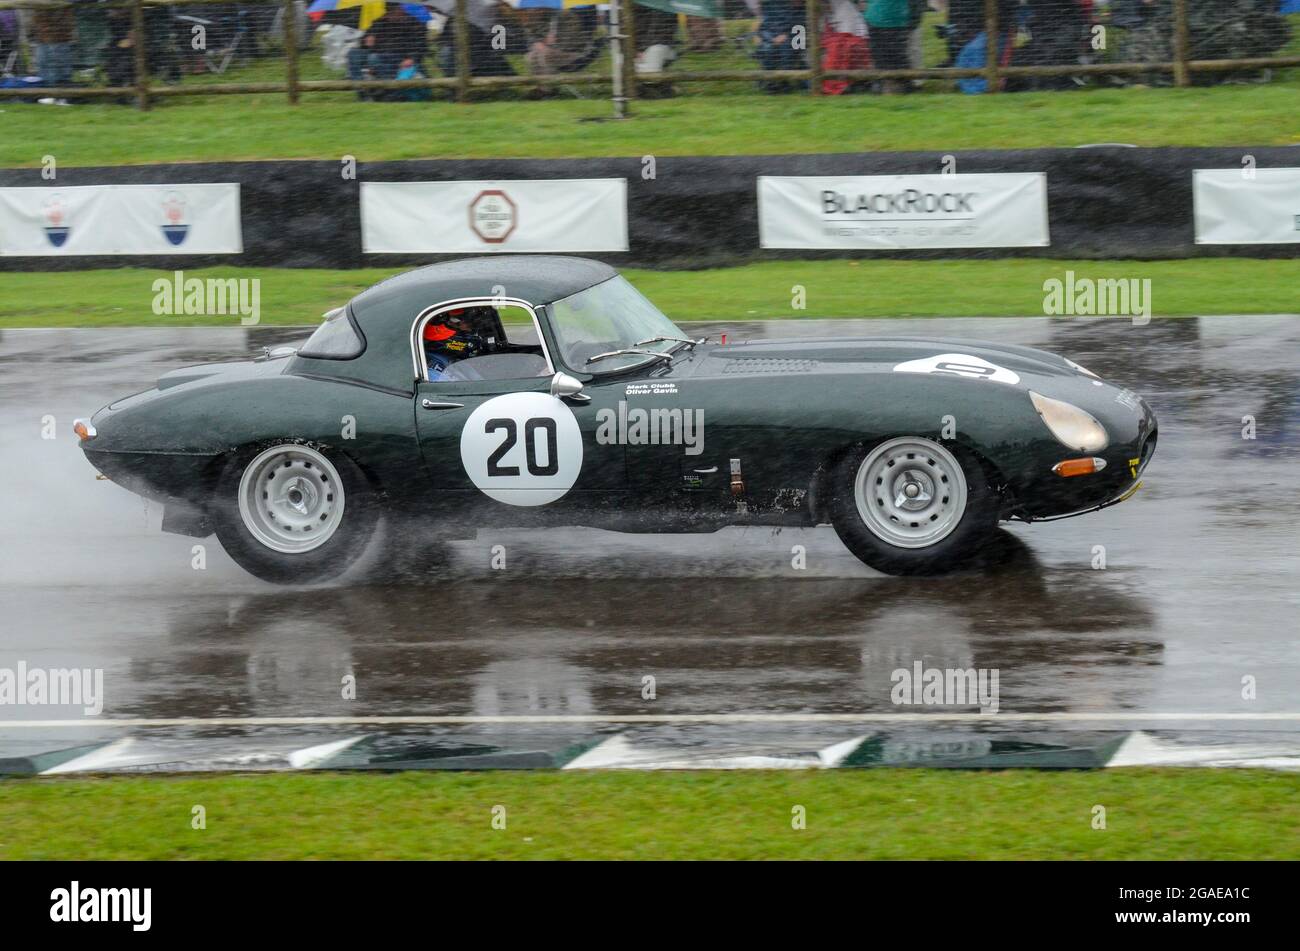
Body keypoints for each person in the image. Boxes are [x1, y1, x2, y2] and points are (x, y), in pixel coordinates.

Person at [347, 4, 428, 98]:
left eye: (393, 10)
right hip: (377, 54)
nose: (390, 14)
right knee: (354, 54)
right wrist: (367, 39)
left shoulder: (414, 23)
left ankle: (390, 92)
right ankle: (363, 92)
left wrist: (412, 58)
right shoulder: (379, 22)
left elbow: (421, 45)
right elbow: (364, 43)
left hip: (400, 56)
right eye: (388, 11)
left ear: (401, 9)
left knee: (373, 58)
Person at [755, 0, 805, 93]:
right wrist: (772, 39)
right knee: (768, 48)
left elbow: (800, 26)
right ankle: (771, 82)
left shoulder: (801, 8)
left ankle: (783, 81)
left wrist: (786, 34)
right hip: (772, 38)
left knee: (787, 48)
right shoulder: (770, 5)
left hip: (793, 38)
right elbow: (763, 28)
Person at [821, 0, 868, 95]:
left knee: (838, 50)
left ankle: (837, 86)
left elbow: (846, 35)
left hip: (855, 41)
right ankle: (829, 84)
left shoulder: (844, 7)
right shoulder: (826, 12)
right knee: (833, 49)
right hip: (838, 42)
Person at [865, 0, 911, 92]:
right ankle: (886, 85)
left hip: (891, 19)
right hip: (883, 18)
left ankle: (899, 85)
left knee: (892, 57)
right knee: (890, 56)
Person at [31, 5, 77, 87]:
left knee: (60, 66)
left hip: (60, 39)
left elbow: (69, 21)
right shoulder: (39, 6)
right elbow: (37, 20)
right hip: (44, 39)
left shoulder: (64, 7)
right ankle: (49, 90)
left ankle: (63, 92)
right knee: (45, 64)